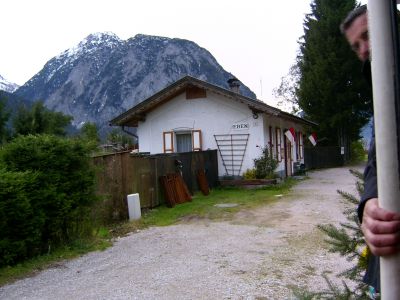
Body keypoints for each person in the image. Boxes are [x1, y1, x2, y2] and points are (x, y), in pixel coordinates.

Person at [340, 4, 400, 293]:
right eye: (356, 46)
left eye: (368, 35)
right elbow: (377, 161)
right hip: (388, 271)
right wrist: (369, 204)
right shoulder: (383, 96)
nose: (363, 49)